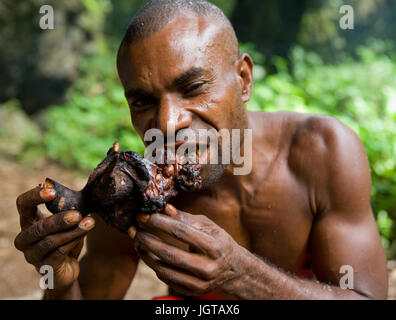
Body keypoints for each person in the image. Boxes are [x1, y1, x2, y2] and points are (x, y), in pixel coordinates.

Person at [14, 0, 388, 300]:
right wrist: (60, 284)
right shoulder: (130, 193)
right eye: (143, 102)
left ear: (242, 79)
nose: (168, 123)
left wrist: (243, 275)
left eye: (193, 88)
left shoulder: (322, 152)